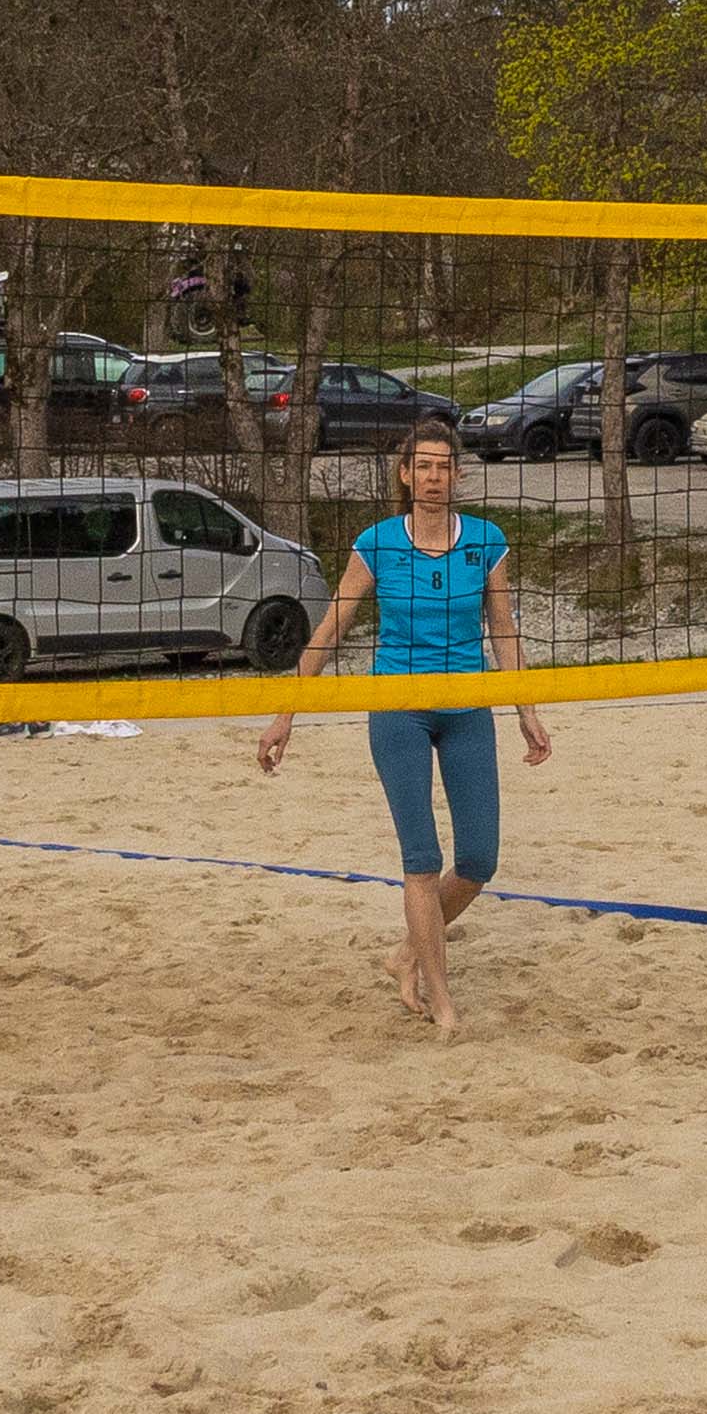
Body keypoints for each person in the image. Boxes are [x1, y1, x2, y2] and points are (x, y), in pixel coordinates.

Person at [258, 422, 552, 1030]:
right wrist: (286, 713)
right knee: (421, 858)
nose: (434, 477)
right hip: (398, 709)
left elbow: (503, 632)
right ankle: (441, 1000)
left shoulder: (486, 541)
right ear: (405, 475)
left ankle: (406, 953)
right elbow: (331, 629)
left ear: (457, 475)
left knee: (478, 859)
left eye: (444, 467)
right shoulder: (378, 543)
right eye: (423, 467)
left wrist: (527, 710)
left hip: (469, 706)